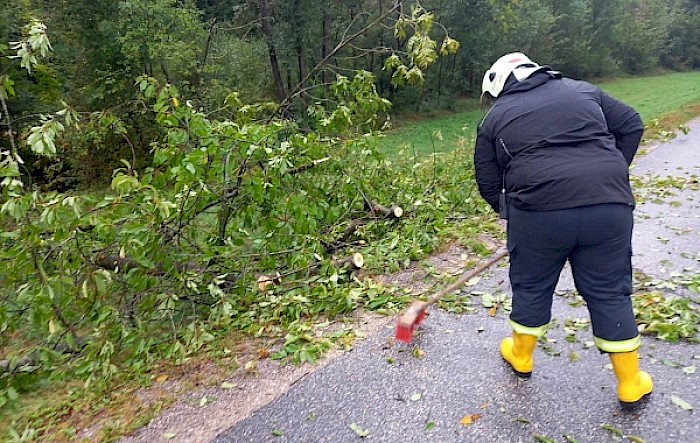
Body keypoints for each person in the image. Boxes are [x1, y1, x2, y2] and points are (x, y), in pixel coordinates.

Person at [474, 52, 653, 407]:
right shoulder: (584, 90)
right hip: (609, 209)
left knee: (531, 284)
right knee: (609, 292)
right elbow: (632, 124)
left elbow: (488, 180)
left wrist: (510, 211)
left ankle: (521, 356)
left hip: (538, 216)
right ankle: (631, 382)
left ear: (499, 86)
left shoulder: (494, 118)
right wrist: (610, 173)